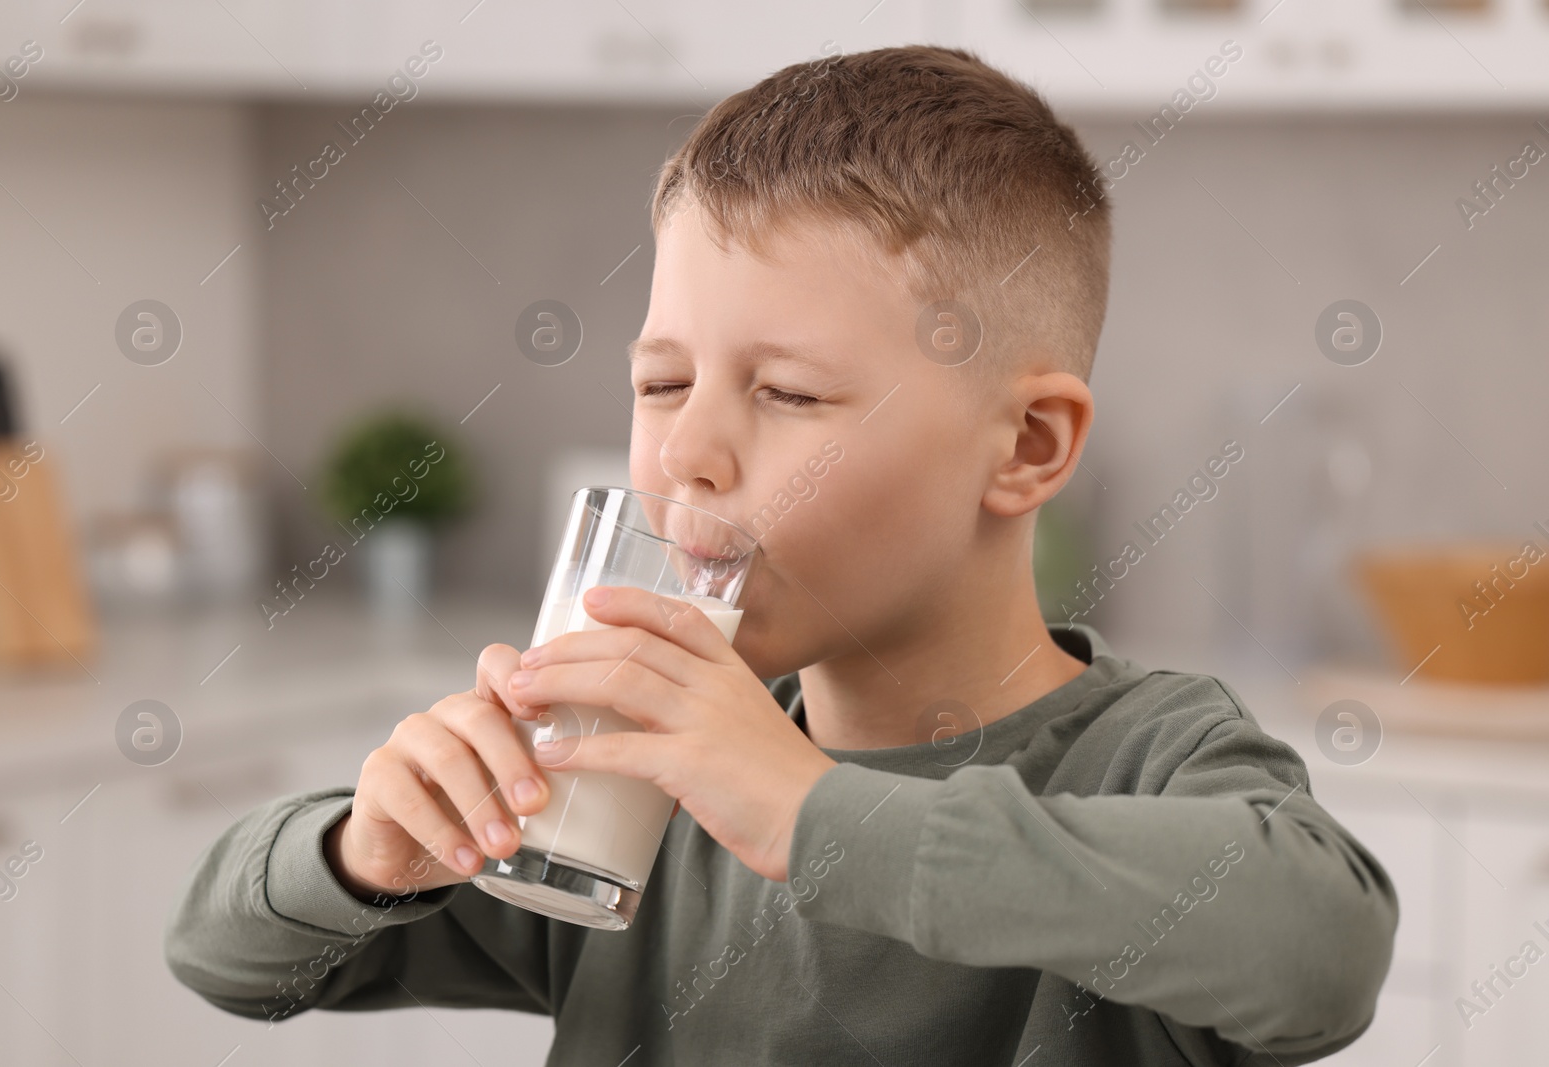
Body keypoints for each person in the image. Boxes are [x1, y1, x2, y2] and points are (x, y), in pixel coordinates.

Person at [165, 43, 1396, 1065]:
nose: (684, 451)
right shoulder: (635, 781)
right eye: (660, 381)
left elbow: (1318, 949)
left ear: (1023, 444)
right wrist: (367, 851)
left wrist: (809, 813)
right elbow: (223, 951)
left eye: (791, 394)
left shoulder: (1150, 759)